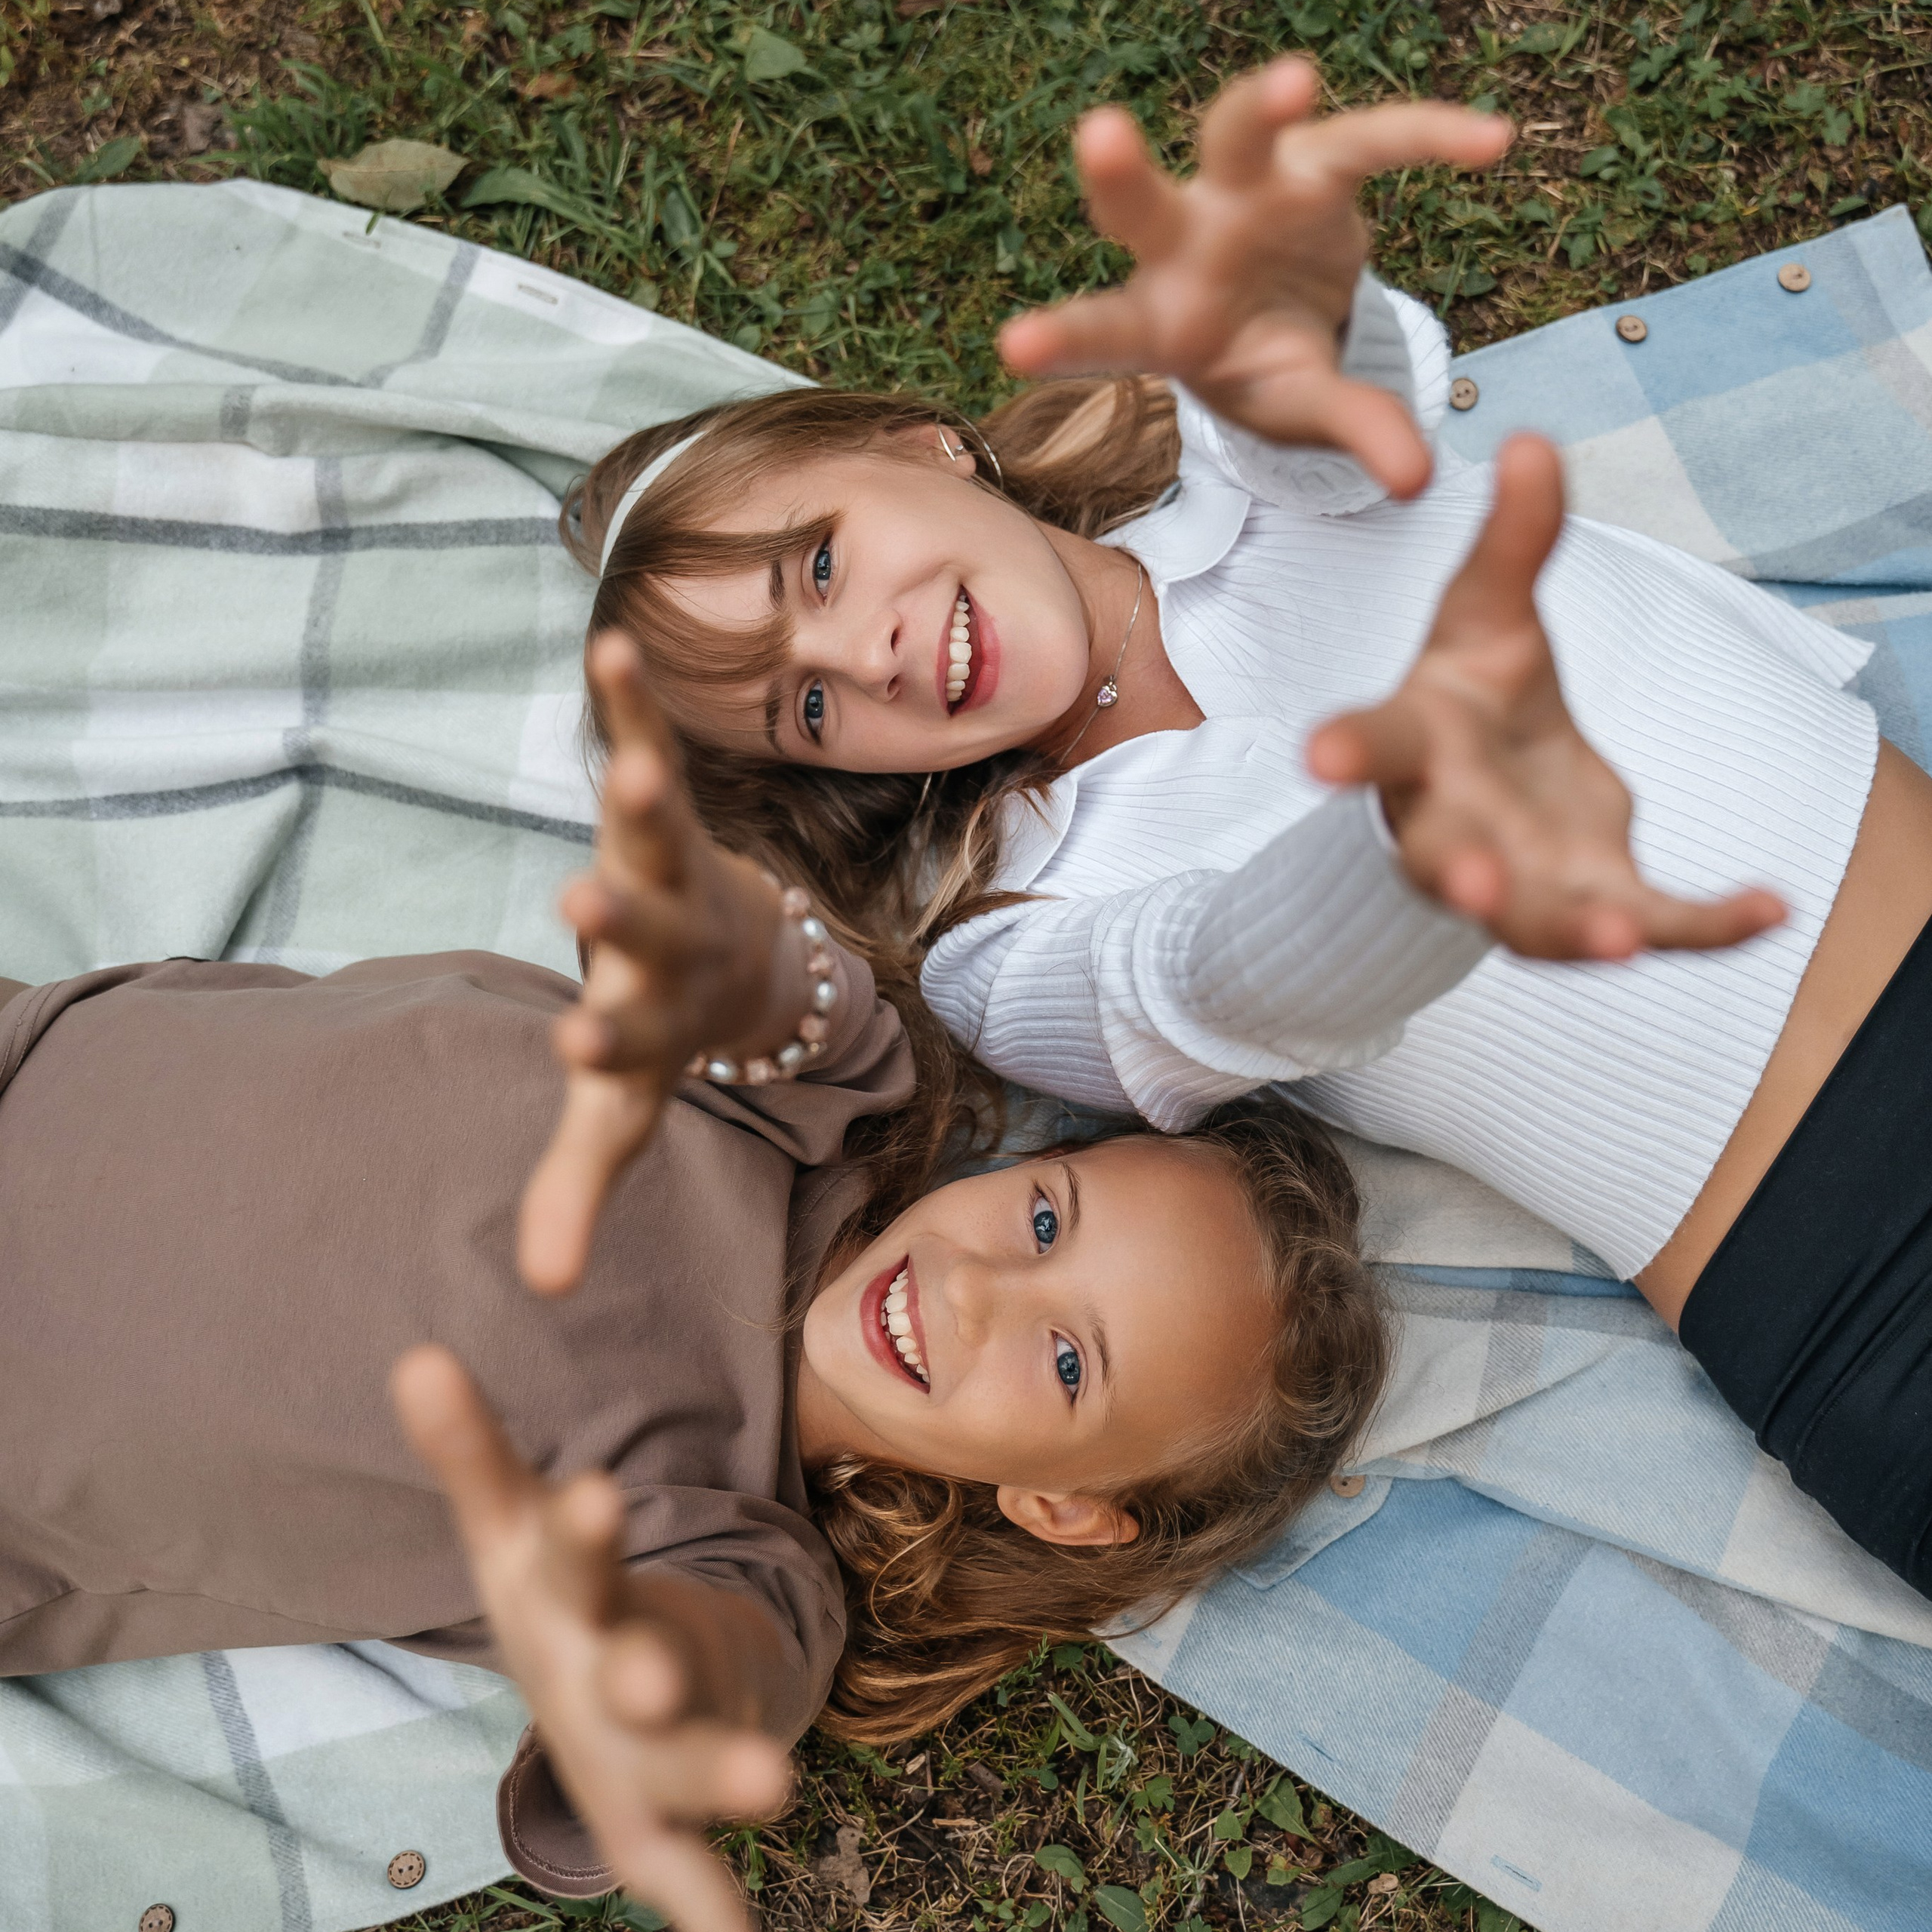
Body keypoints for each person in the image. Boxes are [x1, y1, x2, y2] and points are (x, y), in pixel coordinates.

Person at [562, 59, 1932, 1604]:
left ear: (916, 445)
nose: (857, 654)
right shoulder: (1007, 942)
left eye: (817, 566)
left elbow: (1337, 424)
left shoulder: (1244, 485)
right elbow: (1216, 977)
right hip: (1853, 1286)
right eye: (804, 709)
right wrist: (1406, 846)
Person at [0, 643, 1385, 1932]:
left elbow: (717, 1681)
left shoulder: (745, 1553)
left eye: (1071, 1360)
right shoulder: (815, 1112)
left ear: (1062, 1507)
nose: (971, 1289)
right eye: (1042, 1215)